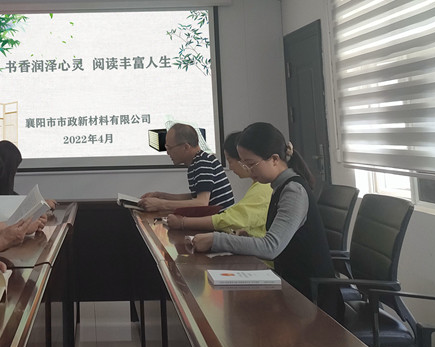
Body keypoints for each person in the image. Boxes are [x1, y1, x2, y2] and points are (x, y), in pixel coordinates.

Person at [187, 122, 339, 317]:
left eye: (251, 164)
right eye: (244, 164)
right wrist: (248, 238)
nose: (249, 170)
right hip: (292, 285)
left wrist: (215, 240)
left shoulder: (293, 191)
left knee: (239, 316)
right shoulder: (279, 186)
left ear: (274, 159)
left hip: (312, 300)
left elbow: (271, 247)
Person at [164, 131, 271, 237]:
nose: (230, 167)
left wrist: (183, 222)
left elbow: (231, 219)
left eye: (230, 161)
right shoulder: (259, 185)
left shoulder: (263, 187)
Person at [139, 122, 235, 213]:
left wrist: (161, 204)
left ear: (186, 147)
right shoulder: (198, 161)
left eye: (169, 148)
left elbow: (201, 203)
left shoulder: (203, 163)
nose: (168, 153)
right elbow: (195, 198)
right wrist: (161, 196)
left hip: (221, 223)